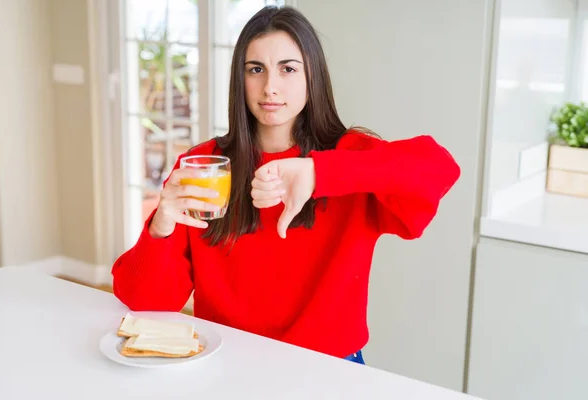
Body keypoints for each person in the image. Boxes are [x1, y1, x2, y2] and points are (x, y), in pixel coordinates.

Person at [111, 5, 461, 365]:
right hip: (225, 364)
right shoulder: (206, 167)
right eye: (256, 69)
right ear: (240, 79)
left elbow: (438, 168)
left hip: (328, 369)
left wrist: (318, 173)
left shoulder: (349, 155)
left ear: (313, 76)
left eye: (288, 69)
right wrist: (161, 225)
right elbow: (145, 301)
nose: (270, 87)